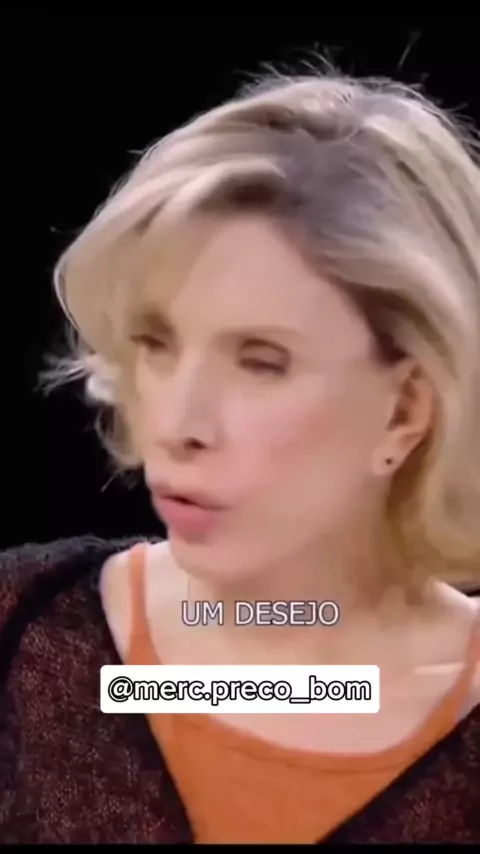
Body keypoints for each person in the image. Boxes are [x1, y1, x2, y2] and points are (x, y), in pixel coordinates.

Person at [1, 67, 480, 845]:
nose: (177, 423)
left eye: (261, 362)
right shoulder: (20, 628)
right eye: (157, 345)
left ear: (405, 410)